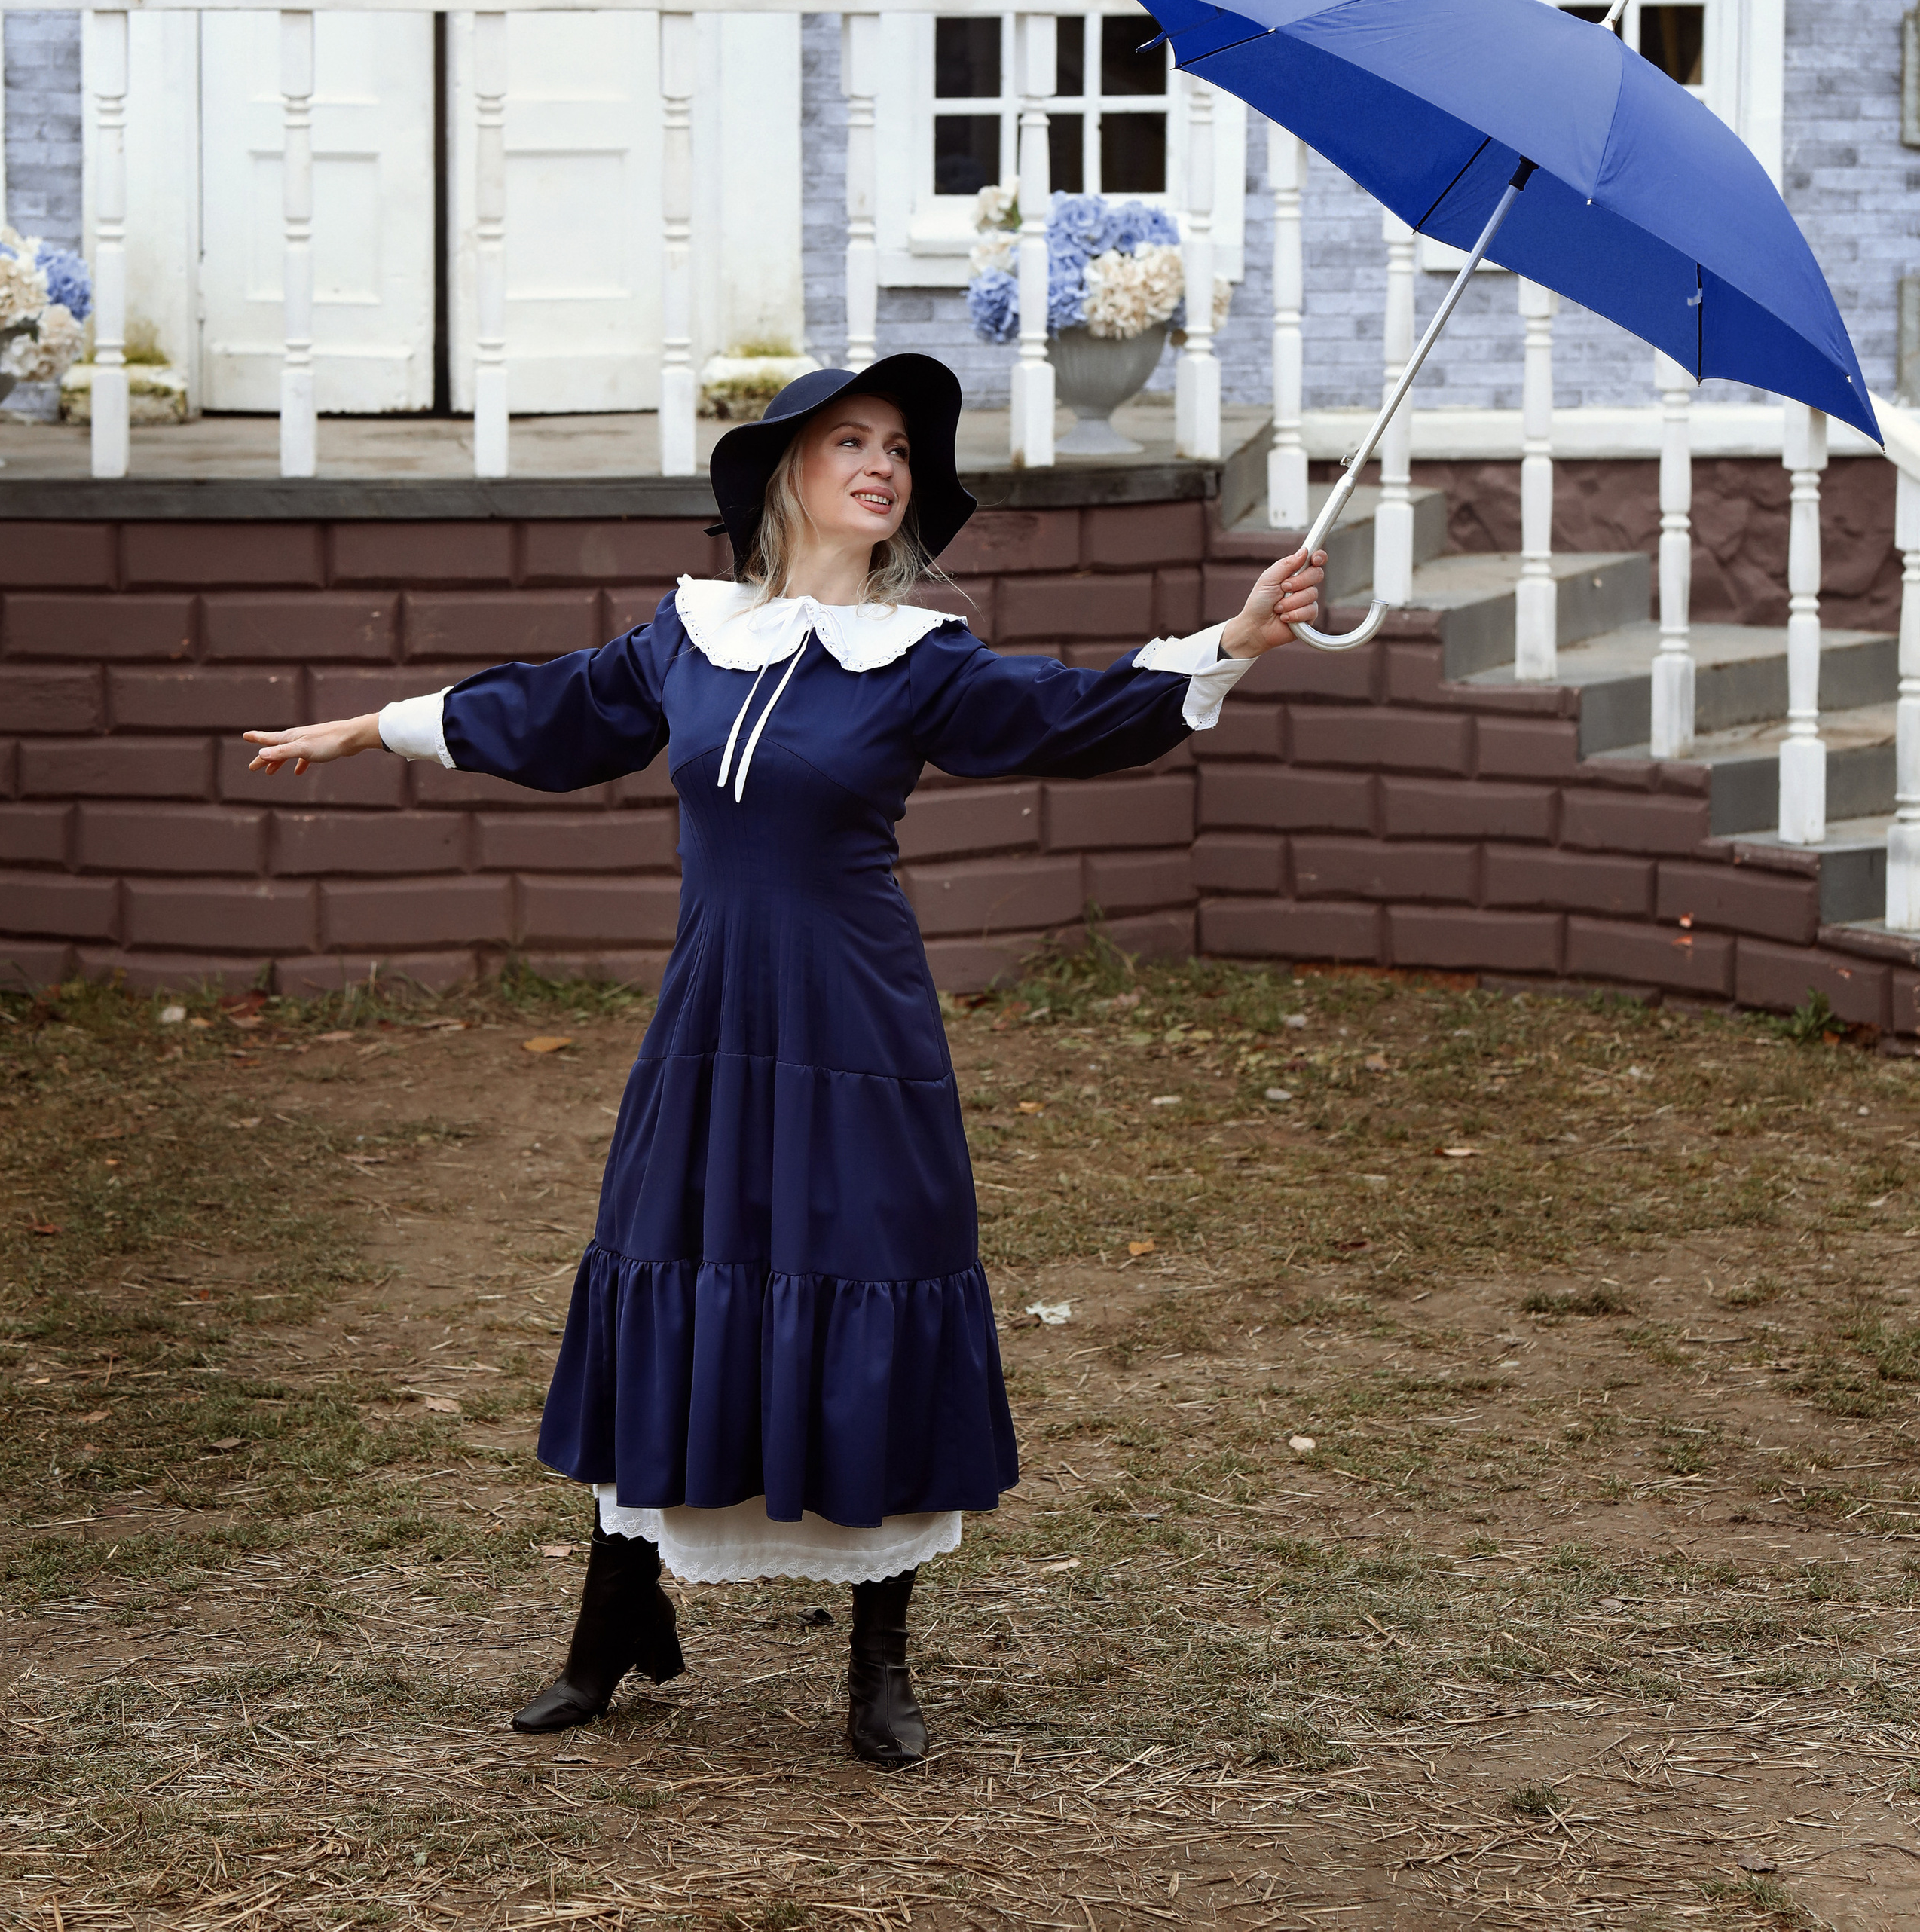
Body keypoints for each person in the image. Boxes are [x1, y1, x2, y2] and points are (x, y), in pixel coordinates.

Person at [244, 355, 1324, 1765]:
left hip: (857, 1022)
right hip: (711, 1019)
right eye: (852, 441)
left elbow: (1069, 714)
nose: (883, 466)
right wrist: (373, 728)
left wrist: (1233, 638)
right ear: (786, 474)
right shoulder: (691, 637)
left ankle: (880, 1659)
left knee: (868, 1277)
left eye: (901, 452)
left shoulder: (921, 660)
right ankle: (614, 1617)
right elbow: (553, 713)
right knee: (674, 1264)